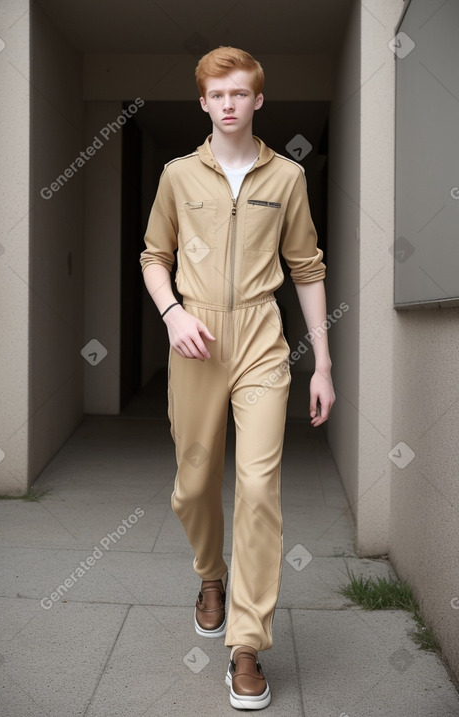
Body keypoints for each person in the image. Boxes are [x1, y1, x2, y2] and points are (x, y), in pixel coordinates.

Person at [140, 46, 335, 710]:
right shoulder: (175, 176)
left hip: (260, 341)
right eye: (216, 94)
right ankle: (210, 576)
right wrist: (171, 313)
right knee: (194, 485)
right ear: (203, 103)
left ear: (258, 100)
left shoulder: (287, 179)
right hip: (194, 339)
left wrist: (324, 366)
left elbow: (307, 268)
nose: (228, 103)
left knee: (258, 487)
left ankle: (246, 646)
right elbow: (153, 256)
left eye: (239, 93)